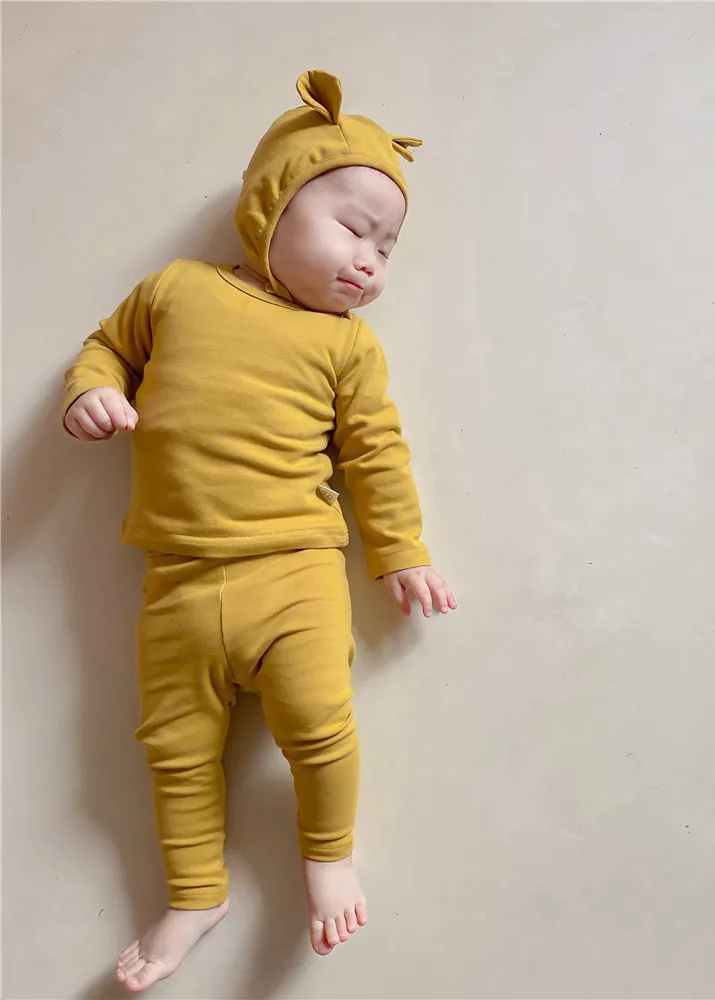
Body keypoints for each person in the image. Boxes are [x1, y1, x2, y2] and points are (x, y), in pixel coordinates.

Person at [63, 70, 456, 993]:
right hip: (178, 580)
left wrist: (400, 550)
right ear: (273, 203)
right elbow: (106, 347)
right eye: (354, 227)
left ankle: (328, 856)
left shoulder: (347, 345)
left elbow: (375, 453)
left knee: (320, 723)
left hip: (295, 572)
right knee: (174, 749)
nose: (370, 260)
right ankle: (194, 894)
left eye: (387, 248)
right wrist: (93, 392)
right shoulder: (177, 290)